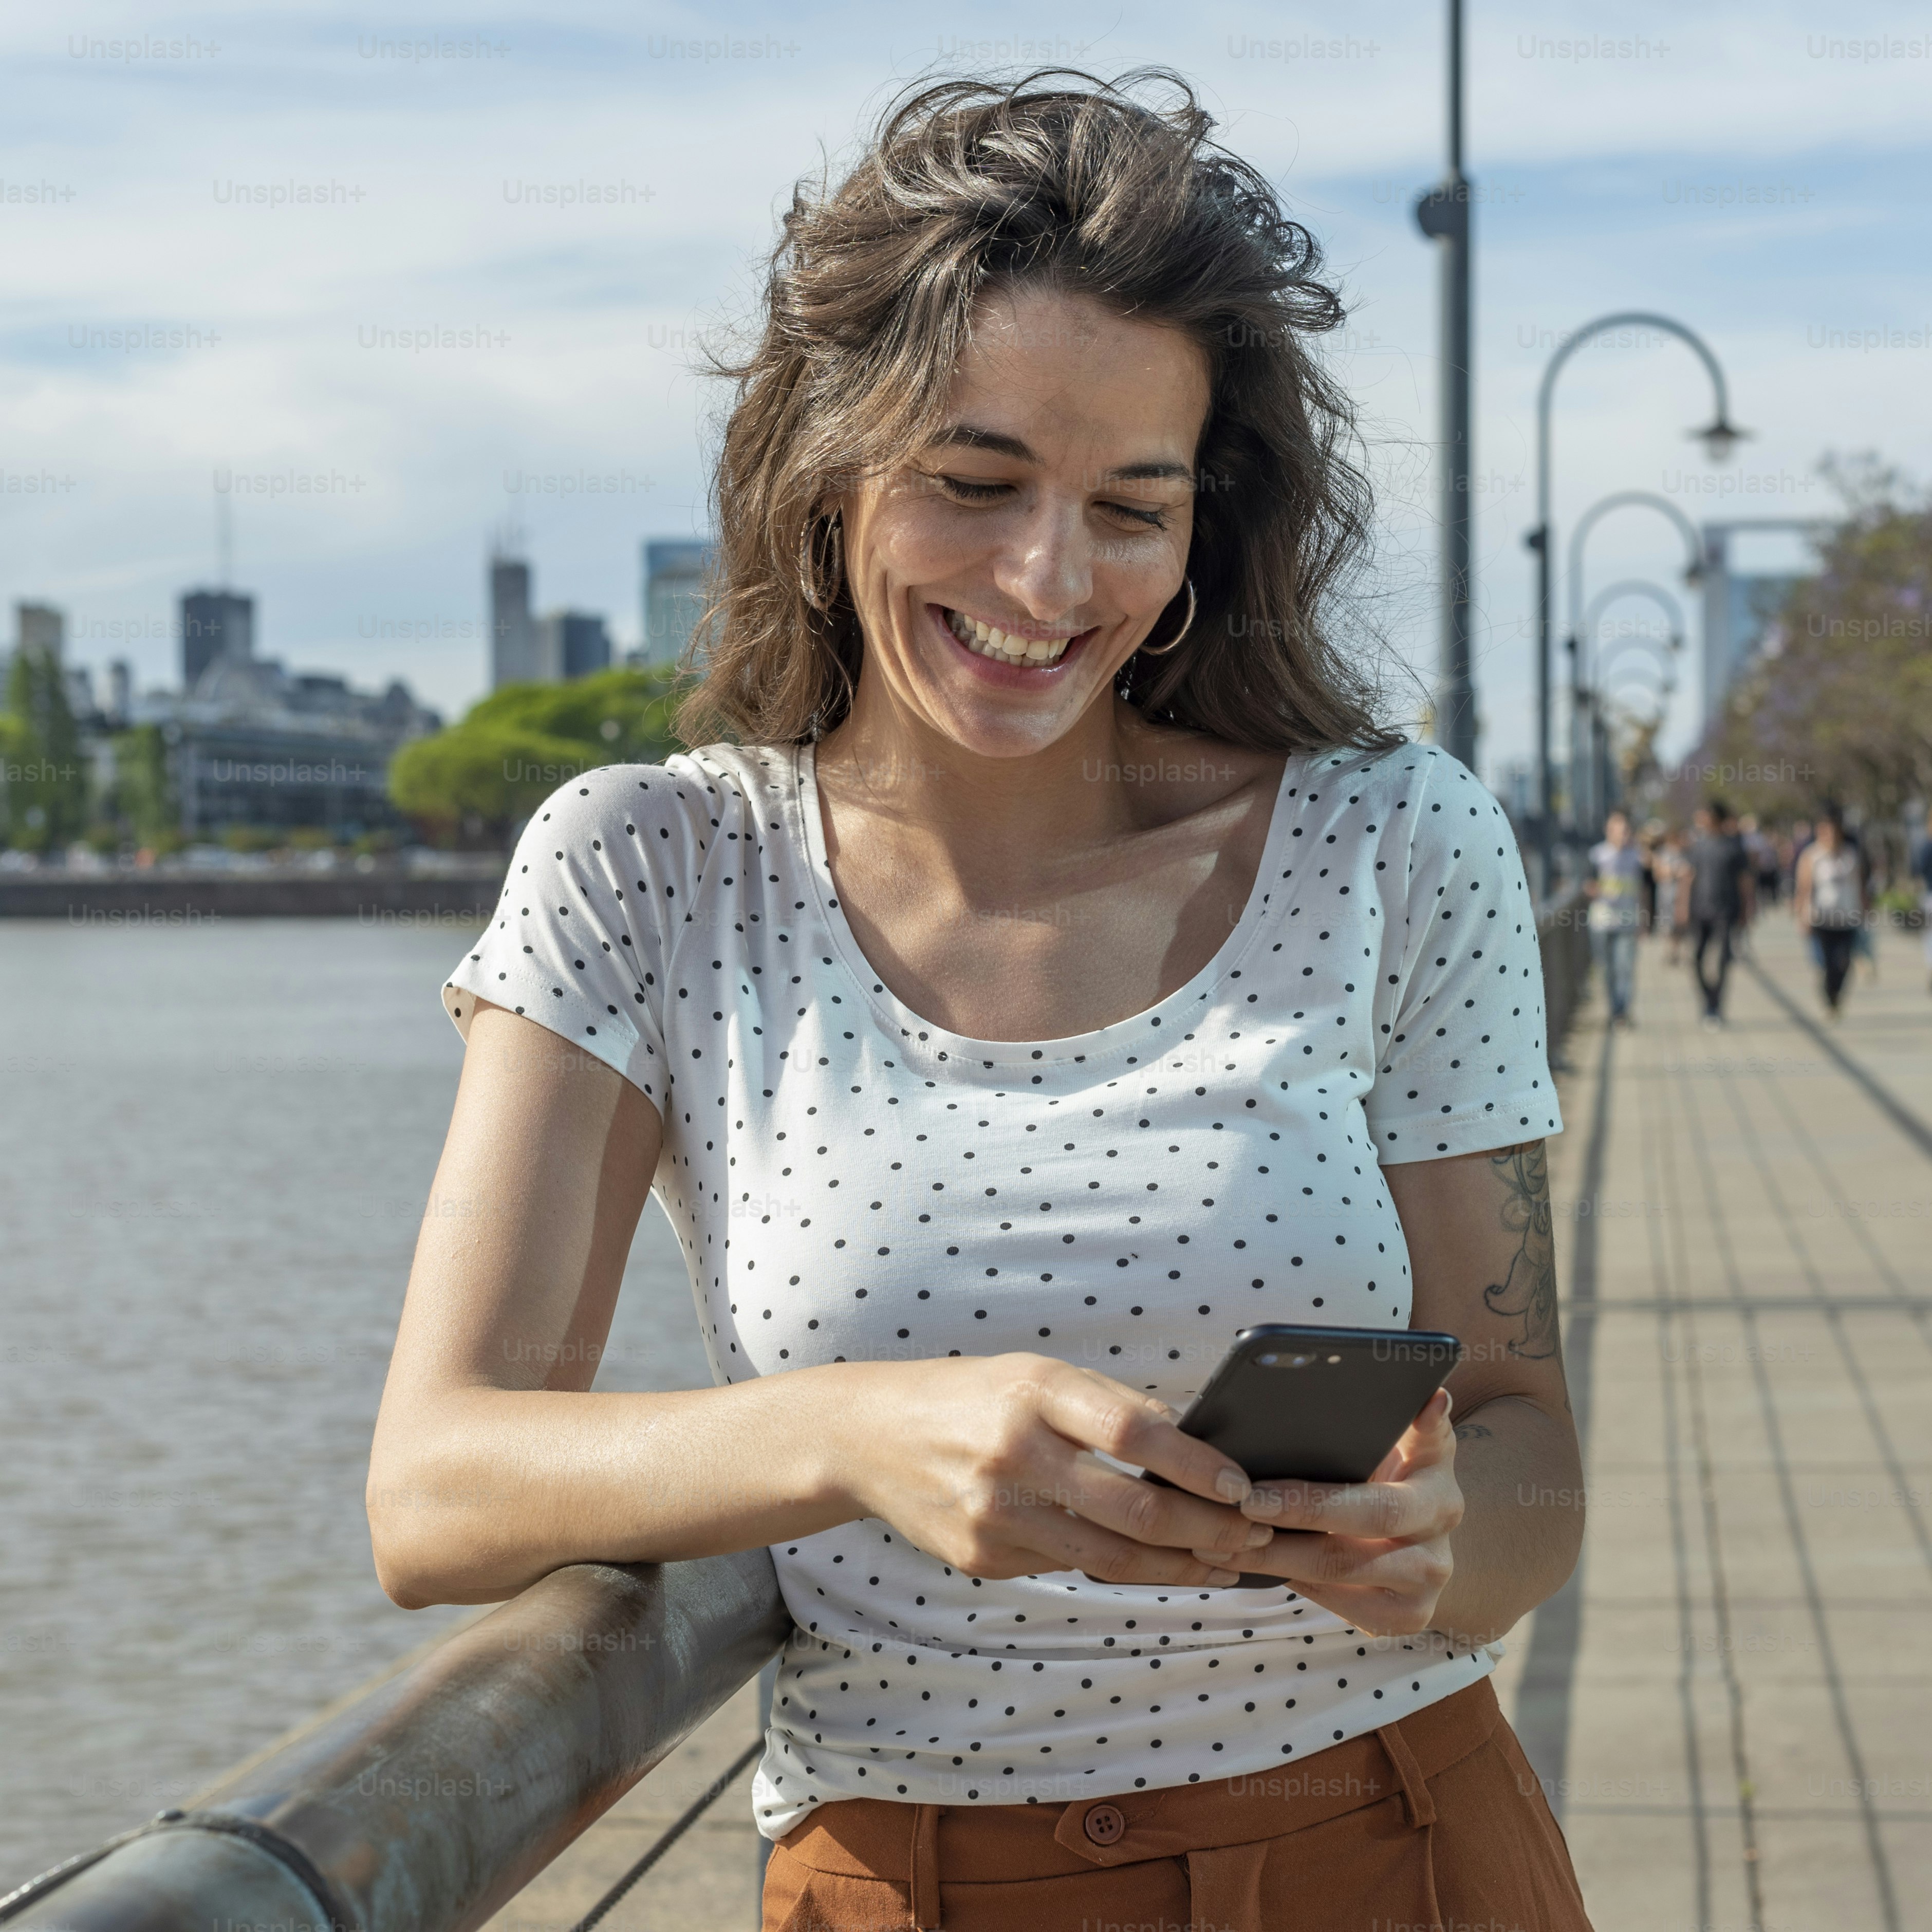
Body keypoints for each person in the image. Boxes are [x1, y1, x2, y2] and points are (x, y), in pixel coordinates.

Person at [367, 75, 1593, 1932]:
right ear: (828, 459)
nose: (1044, 577)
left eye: (1128, 505)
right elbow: (436, 1484)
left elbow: (1525, 1454)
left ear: (1205, 523)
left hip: (1399, 1847)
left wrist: (1437, 1544)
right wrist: (857, 1432)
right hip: (902, 1879)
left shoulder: (1396, 839)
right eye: (971, 479)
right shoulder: (643, 870)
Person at [1685, 800, 1754, 1028]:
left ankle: (1716, 1004)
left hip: (1726, 910)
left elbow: (1745, 882)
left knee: (1724, 959)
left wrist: (1747, 910)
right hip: (1700, 910)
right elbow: (1689, 878)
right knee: (1697, 958)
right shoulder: (1698, 847)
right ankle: (1708, 999)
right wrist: (1682, 907)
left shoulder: (1734, 847)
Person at [1794, 809, 1866, 1018]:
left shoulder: (1851, 855)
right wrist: (1802, 916)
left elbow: (1859, 885)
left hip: (1847, 918)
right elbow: (1804, 888)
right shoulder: (1812, 856)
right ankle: (1829, 997)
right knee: (1826, 964)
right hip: (1821, 919)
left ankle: (1837, 995)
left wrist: (1865, 910)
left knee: (1844, 962)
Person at [1587, 810, 1643, 1027]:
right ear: (1608, 831)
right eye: (1618, 830)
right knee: (1607, 969)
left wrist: (1645, 920)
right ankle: (1613, 1009)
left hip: (1628, 921)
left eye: (1625, 830)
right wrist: (1596, 890)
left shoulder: (1636, 856)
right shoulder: (1597, 855)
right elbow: (1588, 884)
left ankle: (1622, 1012)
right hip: (1602, 921)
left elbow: (1644, 889)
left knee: (1625, 968)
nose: (1622, 835)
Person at [1916, 806, 1932, 993]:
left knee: (1930, 936)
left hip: (1929, 896)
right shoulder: (1927, 846)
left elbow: (1918, 869)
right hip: (1930, 896)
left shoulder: (1926, 845)